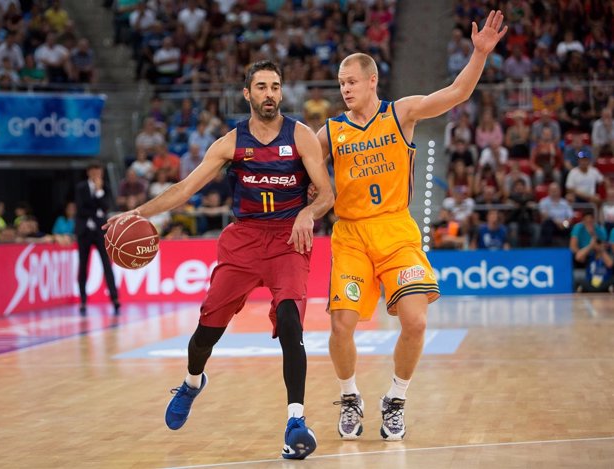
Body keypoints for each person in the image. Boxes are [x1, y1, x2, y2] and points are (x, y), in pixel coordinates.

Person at [104, 60, 334, 459]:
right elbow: (185, 188)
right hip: (243, 241)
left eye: (275, 87)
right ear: (247, 94)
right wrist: (137, 213)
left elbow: (327, 194)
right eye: (261, 87)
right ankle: (193, 383)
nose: (269, 94)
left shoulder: (301, 136)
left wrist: (306, 213)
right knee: (206, 331)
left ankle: (295, 420)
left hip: (286, 242)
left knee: (290, 320)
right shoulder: (230, 143)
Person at [316, 11, 507, 441]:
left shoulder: (401, 114)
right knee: (341, 324)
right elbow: (299, 162)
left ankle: (396, 399)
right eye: (340, 82)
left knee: (416, 323)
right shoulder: (330, 132)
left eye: (351, 80)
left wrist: (479, 55)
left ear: (371, 82)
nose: (345, 88)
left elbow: (457, 93)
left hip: (396, 230)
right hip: (350, 235)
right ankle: (349, 396)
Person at [75, 162, 120, 316]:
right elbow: (81, 208)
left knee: (107, 264)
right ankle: (82, 299)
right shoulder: (81, 187)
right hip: (84, 231)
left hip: (100, 231)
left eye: (98, 171)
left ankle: (114, 298)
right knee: (83, 265)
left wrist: (99, 191)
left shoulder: (105, 188)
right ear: (88, 172)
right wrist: (97, 210)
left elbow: (106, 206)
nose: (96, 174)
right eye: (93, 170)